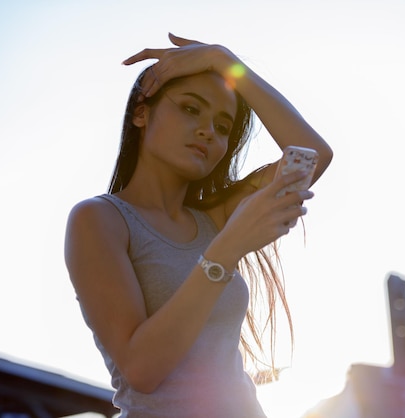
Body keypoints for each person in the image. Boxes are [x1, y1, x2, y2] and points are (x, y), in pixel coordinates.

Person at [64, 33, 333, 417]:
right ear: (142, 113)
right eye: (191, 109)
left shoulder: (217, 218)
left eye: (222, 127)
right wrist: (227, 250)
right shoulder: (99, 220)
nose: (209, 130)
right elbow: (141, 369)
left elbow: (313, 155)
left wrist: (226, 62)